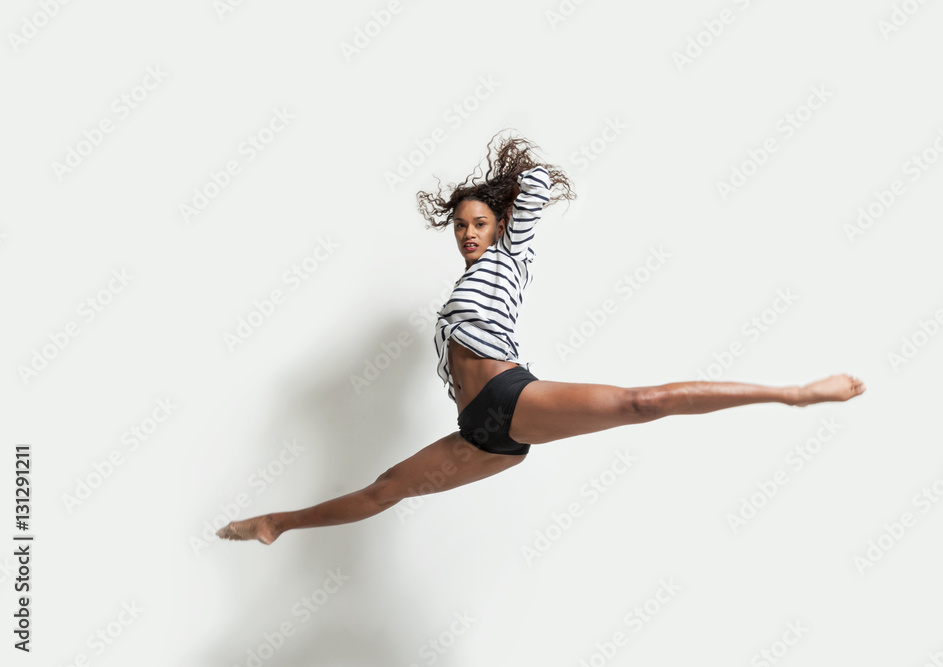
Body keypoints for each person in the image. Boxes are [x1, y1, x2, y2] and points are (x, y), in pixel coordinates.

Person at [216, 130, 865, 545]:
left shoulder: (512, 253)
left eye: (479, 223)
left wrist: (508, 192)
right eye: (461, 226)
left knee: (642, 402)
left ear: (499, 225)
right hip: (481, 432)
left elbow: (536, 188)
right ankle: (278, 523)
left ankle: (795, 393)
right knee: (387, 486)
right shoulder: (465, 281)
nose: (469, 234)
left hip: (510, 395)